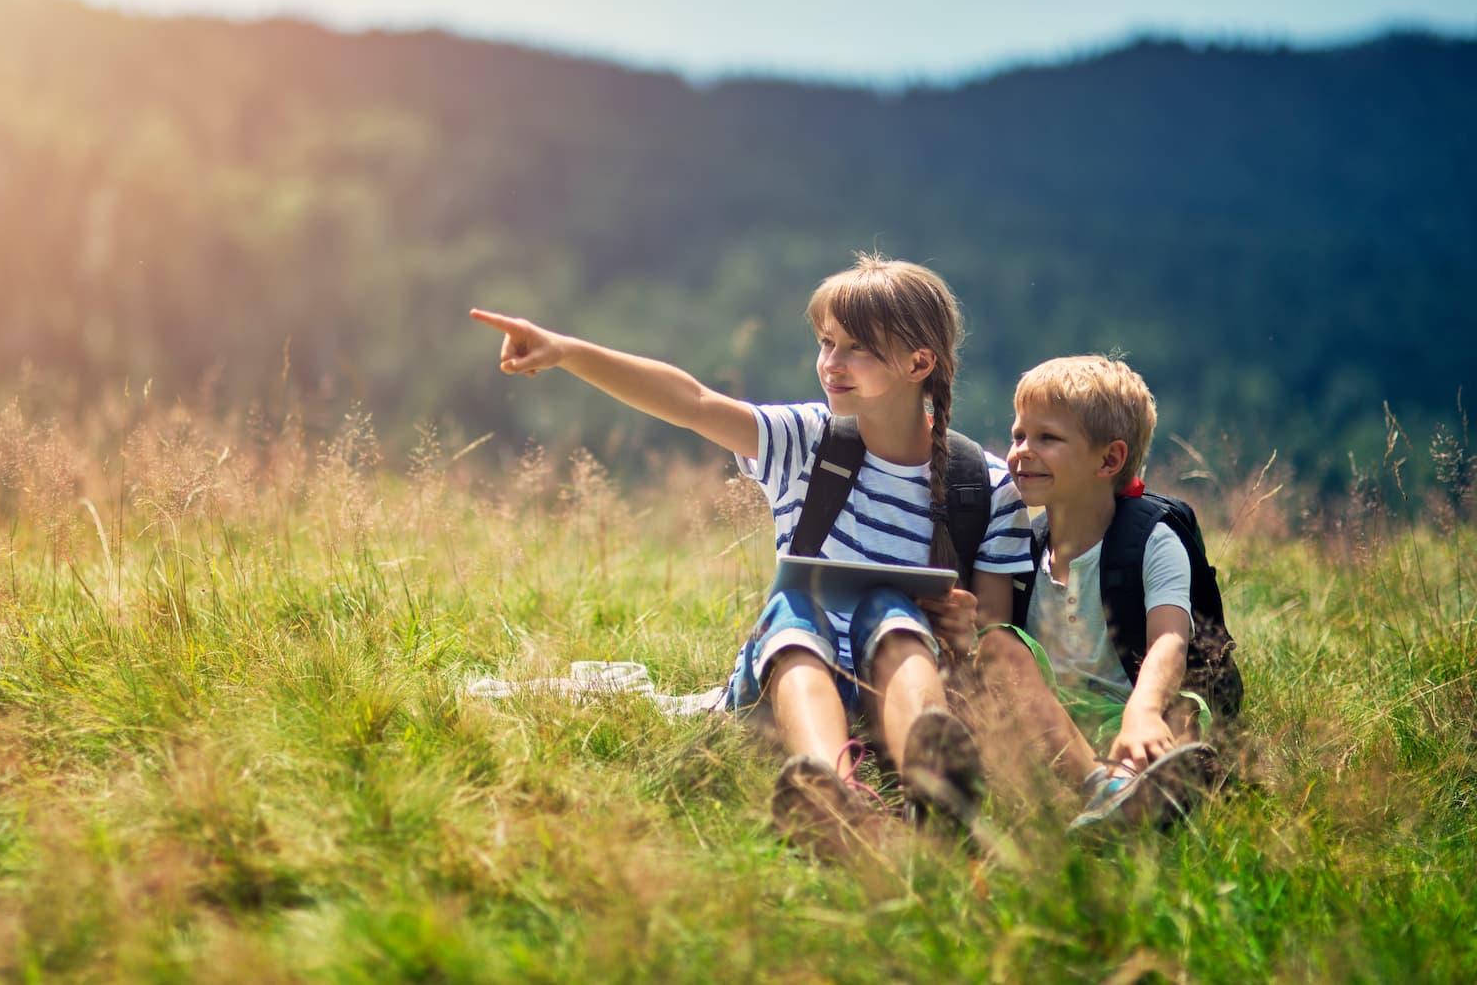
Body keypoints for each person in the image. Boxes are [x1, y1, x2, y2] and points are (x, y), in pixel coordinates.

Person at [471, 253, 1034, 857]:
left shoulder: (986, 486)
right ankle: (833, 797)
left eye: (855, 349)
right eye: (826, 343)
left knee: (892, 615)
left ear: (918, 362)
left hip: (897, 685)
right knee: (793, 609)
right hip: (784, 689)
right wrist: (566, 351)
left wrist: (963, 626)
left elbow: (993, 636)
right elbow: (690, 402)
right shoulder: (807, 441)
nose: (829, 364)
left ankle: (933, 788)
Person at [936, 355, 1219, 831]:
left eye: (1047, 438)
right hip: (1045, 720)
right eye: (1019, 435)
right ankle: (1104, 789)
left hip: (1132, 708)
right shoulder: (1021, 544)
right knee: (1001, 645)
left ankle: (1140, 787)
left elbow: (1170, 641)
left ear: (1108, 459)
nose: (1023, 450)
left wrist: (1143, 712)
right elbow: (996, 648)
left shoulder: (1152, 538)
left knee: (1183, 710)